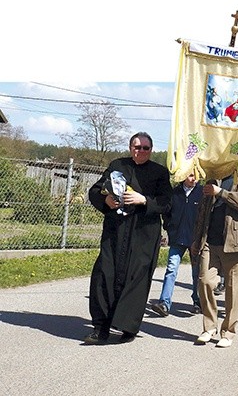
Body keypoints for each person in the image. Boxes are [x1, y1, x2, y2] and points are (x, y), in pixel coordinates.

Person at [85, 132, 172, 344]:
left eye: (145, 148)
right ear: (130, 147)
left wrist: (144, 200)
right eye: (136, 146)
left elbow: (167, 203)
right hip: (116, 231)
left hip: (143, 235)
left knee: (136, 280)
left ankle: (128, 327)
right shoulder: (117, 165)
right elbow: (95, 190)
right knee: (105, 275)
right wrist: (106, 200)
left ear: (151, 150)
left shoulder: (159, 172)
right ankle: (100, 327)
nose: (140, 151)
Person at [192, 173, 238, 348]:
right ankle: (209, 327)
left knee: (234, 290)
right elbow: (202, 211)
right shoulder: (213, 177)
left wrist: (221, 192)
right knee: (205, 281)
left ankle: (228, 332)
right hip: (210, 241)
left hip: (235, 242)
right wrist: (197, 239)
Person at [151, 172, 203, 317]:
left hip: (195, 240)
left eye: (197, 176)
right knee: (171, 269)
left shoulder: (202, 193)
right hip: (177, 238)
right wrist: (169, 228)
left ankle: (197, 301)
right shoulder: (174, 193)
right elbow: (166, 213)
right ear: (184, 176)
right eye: (191, 175)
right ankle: (164, 303)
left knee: (197, 273)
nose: (194, 179)